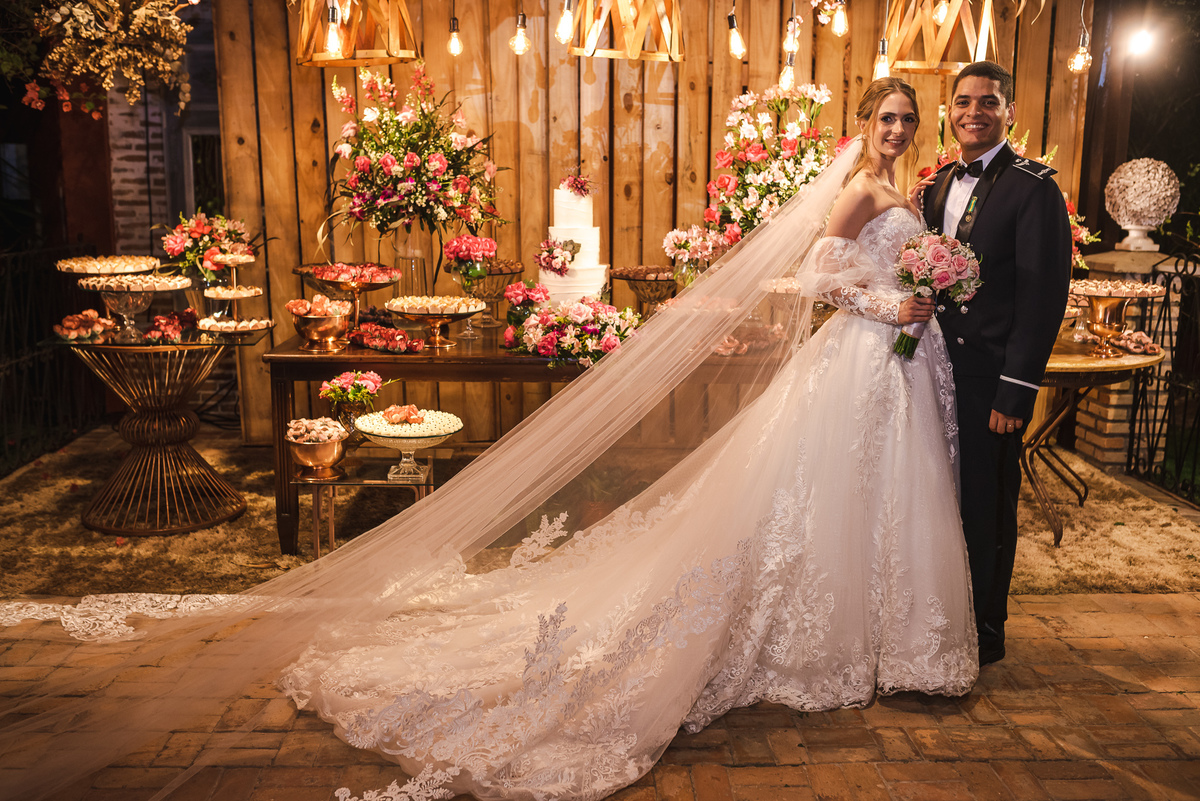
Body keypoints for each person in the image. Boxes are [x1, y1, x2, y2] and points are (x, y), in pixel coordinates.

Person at [0, 79, 976, 801]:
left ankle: (881, 641)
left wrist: (917, 297)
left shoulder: (913, 191)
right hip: (864, 352)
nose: (895, 130)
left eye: (905, 120)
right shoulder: (857, 189)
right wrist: (899, 298)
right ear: (864, 124)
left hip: (884, 367)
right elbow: (815, 276)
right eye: (884, 119)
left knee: (863, 498)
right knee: (816, 494)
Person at [920, 61, 1071, 665]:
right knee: (934, 500)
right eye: (963, 103)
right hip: (930, 373)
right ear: (949, 112)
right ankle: (936, 616)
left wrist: (1017, 391)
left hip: (990, 379)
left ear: (1009, 111)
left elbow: (1043, 296)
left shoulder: (1034, 187)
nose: (973, 113)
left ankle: (985, 629)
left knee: (986, 503)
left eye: (988, 103)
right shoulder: (934, 187)